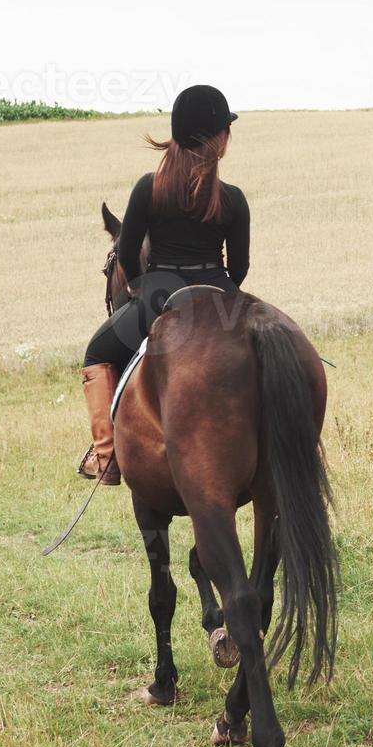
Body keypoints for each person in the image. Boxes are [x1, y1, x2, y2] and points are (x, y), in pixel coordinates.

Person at [78, 85, 251, 484]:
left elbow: (125, 254)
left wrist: (139, 287)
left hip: (159, 296)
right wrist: (221, 291)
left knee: (96, 353)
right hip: (221, 297)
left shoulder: (147, 188)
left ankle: (107, 458)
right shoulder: (234, 199)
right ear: (218, 141)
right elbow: (239, 268)